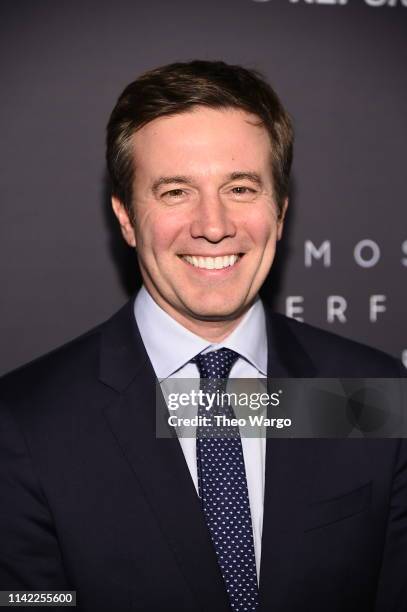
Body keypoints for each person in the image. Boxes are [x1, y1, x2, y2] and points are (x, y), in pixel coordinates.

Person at [0, 60, 406, 612]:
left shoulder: (371, 394)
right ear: (125, 216)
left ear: (280, 211)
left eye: (240, 188)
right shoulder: (26, 423)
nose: (213, 225)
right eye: (174, 192)